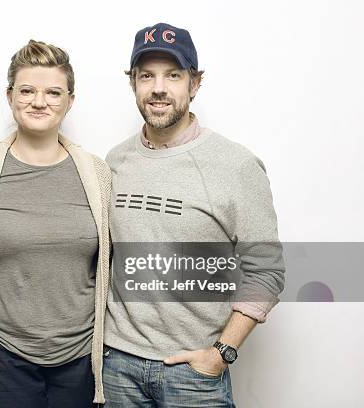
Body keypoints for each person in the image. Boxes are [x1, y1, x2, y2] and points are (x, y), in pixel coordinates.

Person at [102, 22, 286, 407]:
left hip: (193, 374)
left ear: (195, 83)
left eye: (173, 75)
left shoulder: (236, 166)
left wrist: (221, 353)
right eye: (146, 75)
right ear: (132, 83)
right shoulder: (115, 161)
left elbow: (266, 270)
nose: (158, 88)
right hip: (116, 364)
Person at [0, 40, 112, 407]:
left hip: (79, 355)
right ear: (10, 95)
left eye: (53, 92)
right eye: (27, 90)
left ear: (70, 100)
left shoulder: (97, 173)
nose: (39, 101)